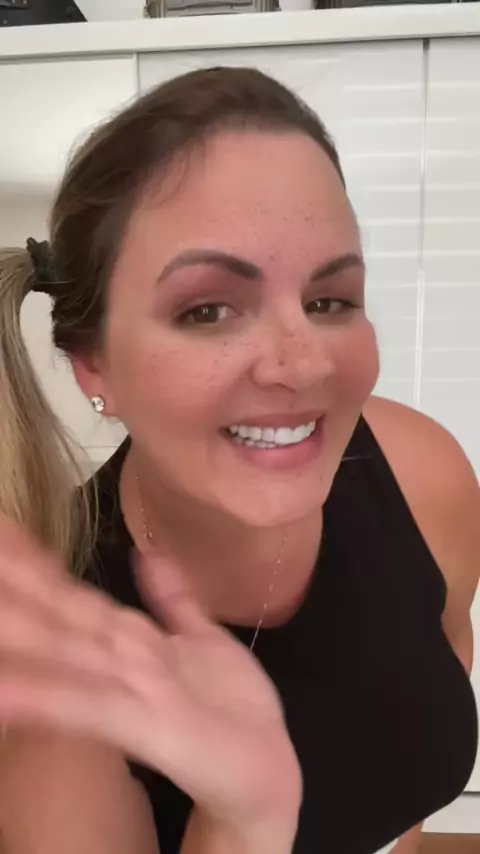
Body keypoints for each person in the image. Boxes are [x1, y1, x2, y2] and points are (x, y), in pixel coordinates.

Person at [0, 66, 477, 854]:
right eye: (208, 310)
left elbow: (440, 674)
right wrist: (240, 822)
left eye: (329, 301)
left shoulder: (423, 473)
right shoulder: (54, 692)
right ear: (94, 363)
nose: (304, 364)